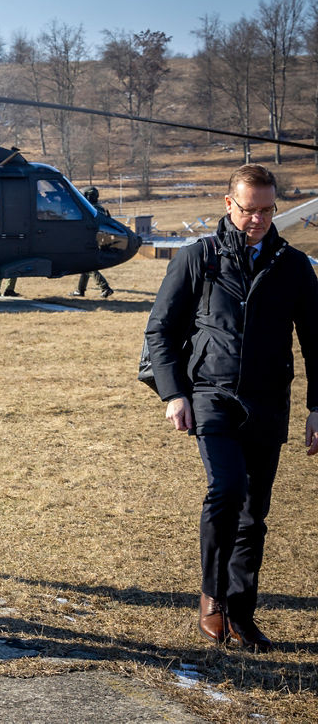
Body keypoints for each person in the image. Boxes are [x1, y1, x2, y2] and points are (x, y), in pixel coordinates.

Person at [144, 164, 318, 652]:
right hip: (211, 394)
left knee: (254, 512)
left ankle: (242, 612)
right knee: (227, 489)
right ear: (228, 204)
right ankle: (213, 597)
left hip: (268, 401)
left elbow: (316, 341)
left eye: (267, 209)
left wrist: (317, 407)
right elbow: (160, 329)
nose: (258, 219)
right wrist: (174, 394)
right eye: (248, 209)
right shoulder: (198, 258)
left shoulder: (293, 266)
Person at [70, 188, 114, 297]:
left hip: (90, 240)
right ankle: (80, 290)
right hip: (99, 240)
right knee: (85, 265)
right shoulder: (100, 209)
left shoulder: (90, 210)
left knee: (88, 266)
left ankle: (105, 288)